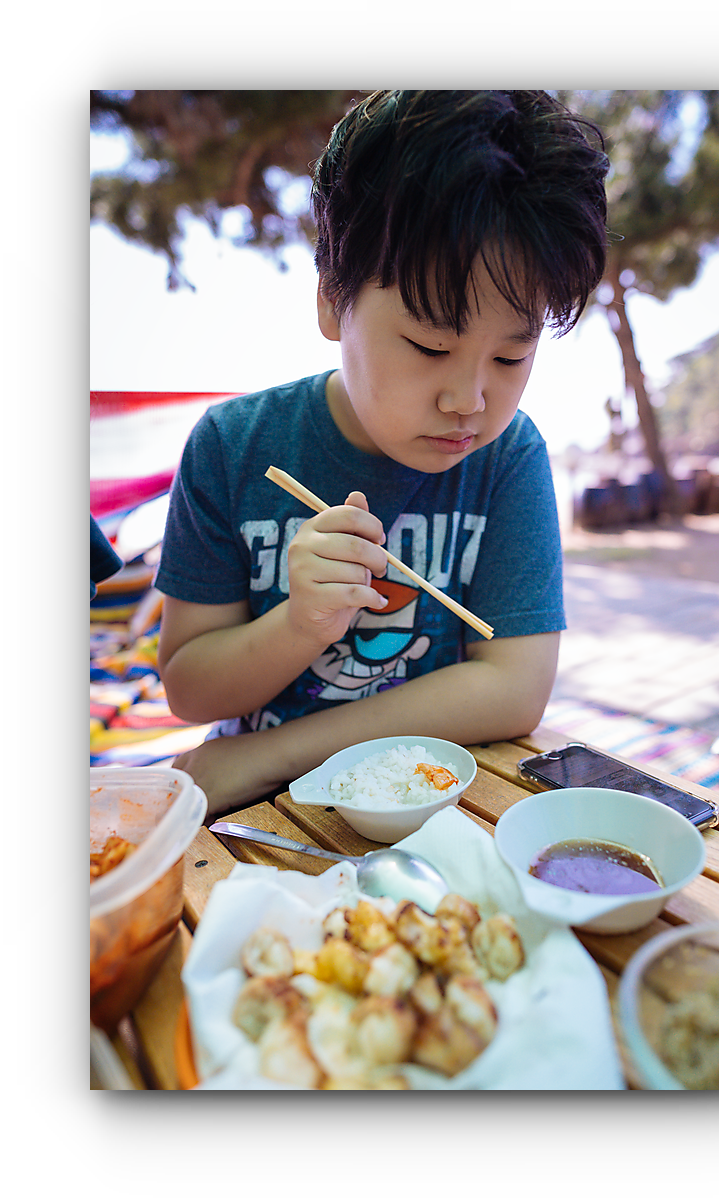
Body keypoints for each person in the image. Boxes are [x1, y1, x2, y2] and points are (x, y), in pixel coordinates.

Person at [156, 90, 608, 814]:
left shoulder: (506, 455)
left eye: (510, 356)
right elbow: (189, 687)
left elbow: (516, 687)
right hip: (262, 817)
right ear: (332, 302)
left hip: (428, 805)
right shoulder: (234, 446)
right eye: (429, 345)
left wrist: (273, 753)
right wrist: (299, 623)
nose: (468, 400)